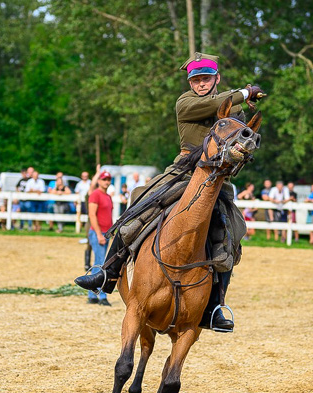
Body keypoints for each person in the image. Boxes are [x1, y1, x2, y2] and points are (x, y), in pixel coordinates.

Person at [74, 51, 265, 332]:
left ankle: (214, 306)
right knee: (141, 198)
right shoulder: (185, 102)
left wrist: (243, 133)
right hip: (184, 170)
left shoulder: (233, 111)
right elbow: (214, 103)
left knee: (233, 227)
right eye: (196, 79)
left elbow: (236, 134)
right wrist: (244, 91)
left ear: (216, 78)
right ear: (190, 83)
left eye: (206, 78)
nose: (201, 83)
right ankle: (108, 273)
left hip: (216, 177)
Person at [86, 169, 115, 306]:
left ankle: (92, 294)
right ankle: (101, 295)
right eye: (104, 179)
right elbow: (92, 215)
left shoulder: (108, 196)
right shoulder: (95, 195)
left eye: (108, 179)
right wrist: (98, 234)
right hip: (98, 233)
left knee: (99, 263)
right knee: (101, 264)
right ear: (99, 181)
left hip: (106, 233)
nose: (106, 182)